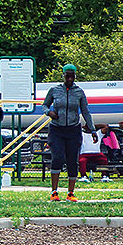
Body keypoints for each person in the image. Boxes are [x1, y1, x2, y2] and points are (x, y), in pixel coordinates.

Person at [42, 64, 98, 202]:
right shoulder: (54, 90)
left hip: (73, 129)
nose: (70, 79)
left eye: (72, 76)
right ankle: (54, 192)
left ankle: (71, 193)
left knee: (73, 161)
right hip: (57, 129)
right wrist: (49, 112)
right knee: (58, 157)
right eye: (67, 76)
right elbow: (44, 105)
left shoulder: (79, 92)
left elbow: (85, 111)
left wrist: (92, 129)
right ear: (63, 76)